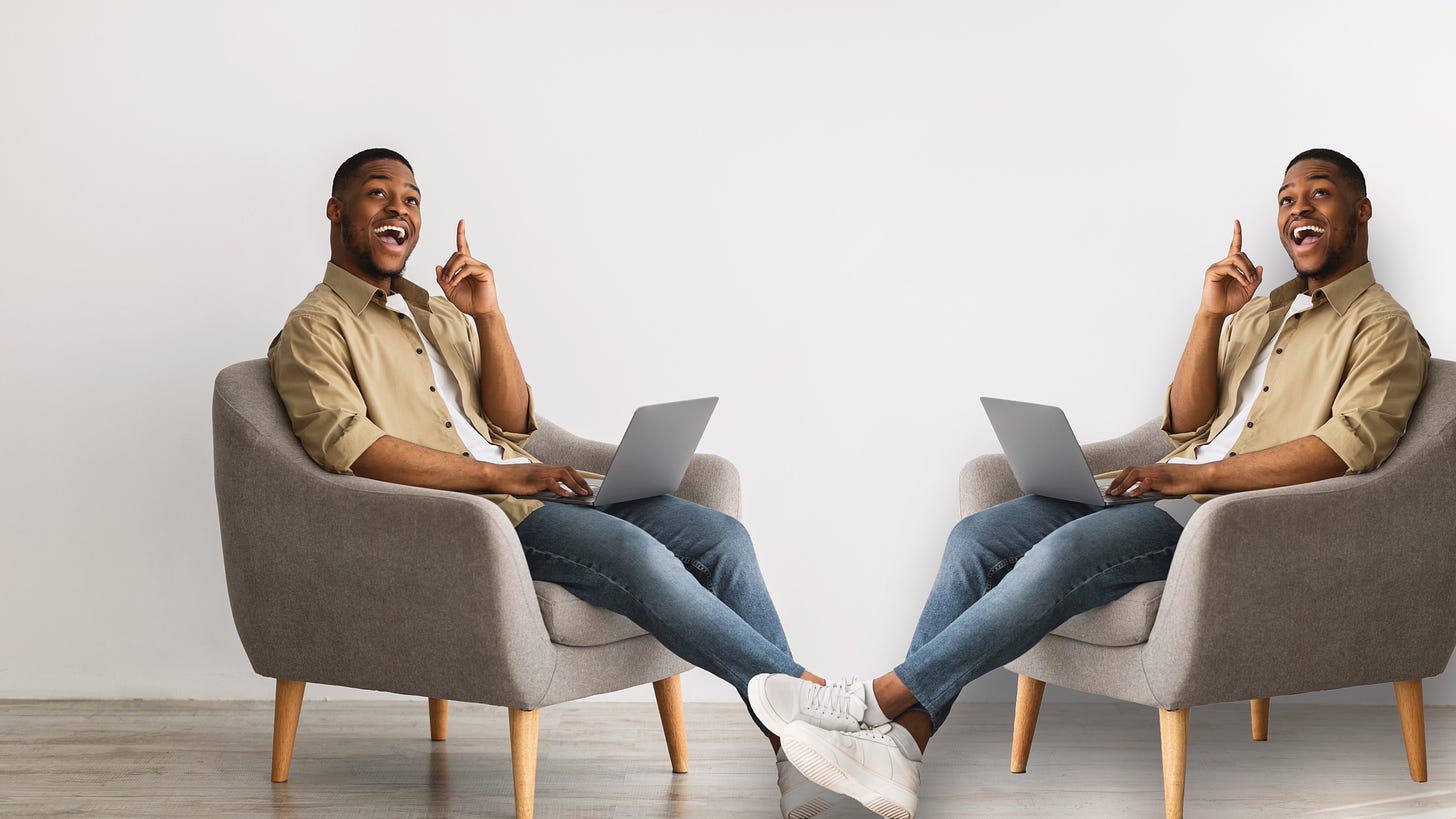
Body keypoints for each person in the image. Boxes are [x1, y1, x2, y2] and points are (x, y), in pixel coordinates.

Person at [746, 148, 1430, 819]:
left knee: (1060, 556)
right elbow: (1186, 418)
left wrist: (1191, 475)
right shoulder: (1258, 311)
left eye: (1318, 194)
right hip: (1170, 486)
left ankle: (870, 703)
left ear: (1361, 211)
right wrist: (1209, 315)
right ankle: (904, 747)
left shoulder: (1385, 329)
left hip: (1229, 520)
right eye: (1286, 198)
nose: (1297, 209)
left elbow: (1343, 452)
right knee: (978, 536)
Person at [268, 148, 843, 818]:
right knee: (639, 557)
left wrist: (487, 314)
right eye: (378, 194)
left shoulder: (437, 310)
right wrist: (503, 474)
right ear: (337, 211)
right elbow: (355, 450)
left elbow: (512, 417)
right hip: (475, 518)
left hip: (532, 484)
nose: (401, 208)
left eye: (413, 198)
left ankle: (796, 748)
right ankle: (814, 716)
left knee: (720, 535)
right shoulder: (315, 327)